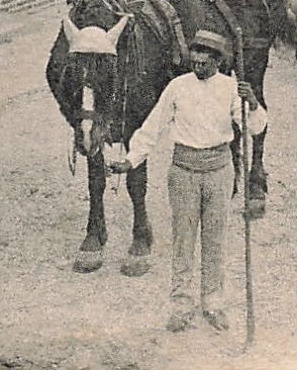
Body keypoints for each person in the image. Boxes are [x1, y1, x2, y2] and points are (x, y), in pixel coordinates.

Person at [107, 30, 265, 332]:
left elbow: (254, 128)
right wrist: (131, 160)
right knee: (183, 239)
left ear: (217, 61)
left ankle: (213, 302)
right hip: (183, 171)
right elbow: (152, 126)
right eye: (195, 62)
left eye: (205, 63)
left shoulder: (232, 88)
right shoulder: (177, 88)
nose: (199, 68)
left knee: (215, 239)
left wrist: (253, 103)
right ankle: (181, 304)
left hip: (219, 170)